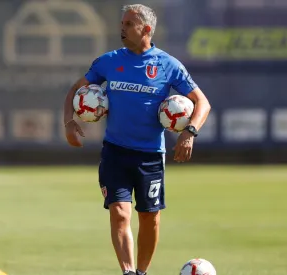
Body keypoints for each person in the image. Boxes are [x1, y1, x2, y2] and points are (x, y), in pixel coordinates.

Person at [63, 4, 211, 275]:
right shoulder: (108, 61)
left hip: (151, 156)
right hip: (115, 153)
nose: (122, 28)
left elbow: (202, 102)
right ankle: (129, 272)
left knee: (150, 219)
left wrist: (189, 133)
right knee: (119, 212)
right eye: (122, 23)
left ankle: (141, 272)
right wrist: (69, 122)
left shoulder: (168, 65)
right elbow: (76, 89)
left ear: (146, 29)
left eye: (129, 24)